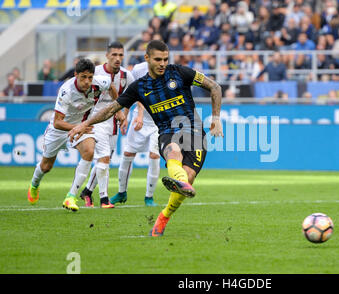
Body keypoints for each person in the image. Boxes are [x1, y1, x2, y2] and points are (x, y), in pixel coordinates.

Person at [68, 40, 223, 236]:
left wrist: (216, 118)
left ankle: (164, 215)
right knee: (173, 151)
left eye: (166, 59)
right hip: (168, 132)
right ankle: (180, 181)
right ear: (147, 58)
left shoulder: (180, 72)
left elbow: (215, 87)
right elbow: (110, 110)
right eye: (158, 59)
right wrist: (84, 124)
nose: (162, 63)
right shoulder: (139, 87)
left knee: (188, 179)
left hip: (195, 134)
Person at [27, 58, 124, 211]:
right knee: (46, 166)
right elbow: (57, 122)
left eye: (90, 77)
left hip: (82, 127)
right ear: (75, 75)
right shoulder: (66, 91)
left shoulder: (100, 82)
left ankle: (71, 197)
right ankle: (34, 183)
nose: (87, 81)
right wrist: (78, 127)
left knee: (89, 151)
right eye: (83, 77)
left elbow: (111, 87)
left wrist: (117, 109)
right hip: (60, 130)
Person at [78, 42, 134, 208]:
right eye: (114, 55)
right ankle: (104, 199)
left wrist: (125, 116)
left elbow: (131, 96)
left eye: (120, 55)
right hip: (96, 121)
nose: (117, 59)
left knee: (105, 160)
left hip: (114, 123)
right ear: (107, 55)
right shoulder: (95, 72)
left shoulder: (126, 76)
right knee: (104, 158)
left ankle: (87, 191)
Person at [109, 60, 161, 207]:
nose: (161, 61)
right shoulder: (138, 69)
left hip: (157, 122)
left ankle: (149, 197)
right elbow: (132, 94)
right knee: (128, 154)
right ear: (148, 56)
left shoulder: (166, 71)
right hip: (139, 120)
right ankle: (121, 193)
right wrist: (126, 115)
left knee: (154, 155)